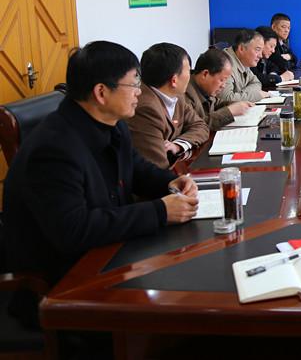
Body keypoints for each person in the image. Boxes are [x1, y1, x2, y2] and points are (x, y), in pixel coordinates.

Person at [3, 41, 198, 325]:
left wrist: (172, 182)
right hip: (64, 285)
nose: (140, 92)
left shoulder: (112, 124)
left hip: (112, 253)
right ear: (101, 92)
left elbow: (137, 169)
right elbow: (74, 230)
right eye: (134, 84)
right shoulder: (53, 149)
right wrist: (161, 211)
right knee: (180, 310)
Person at [127, 43, 209, 169]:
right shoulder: (145, 108)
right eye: (188, 71)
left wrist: (178, 145)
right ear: (174, 80)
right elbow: (157, 166)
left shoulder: (176, 95)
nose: (190, 74)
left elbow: (201, 126)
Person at [185, 47, 253, 131]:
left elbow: (216, 103)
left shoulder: (206, 89)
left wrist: (237, 105)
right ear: (205, 74)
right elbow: (197, 126)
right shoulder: (186, 93)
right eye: (222, 80)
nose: (223, 85)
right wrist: (229, 111)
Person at [218, 29, 271, 102]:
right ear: (241, 48)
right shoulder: (224, 64)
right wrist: (257, 95)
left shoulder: (243, 61)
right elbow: (226, 99)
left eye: (261, 51)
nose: (260, 56)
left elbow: (257, 83)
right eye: (257, 50)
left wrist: (241, 94)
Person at [252, 26, 294, 90]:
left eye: (274, 47)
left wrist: (272, 74)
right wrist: (281, 78)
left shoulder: (264, 58)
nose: (273, 51)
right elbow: (257, 79)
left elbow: (274, 66)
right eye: (271, 46)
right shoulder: (250, 58)